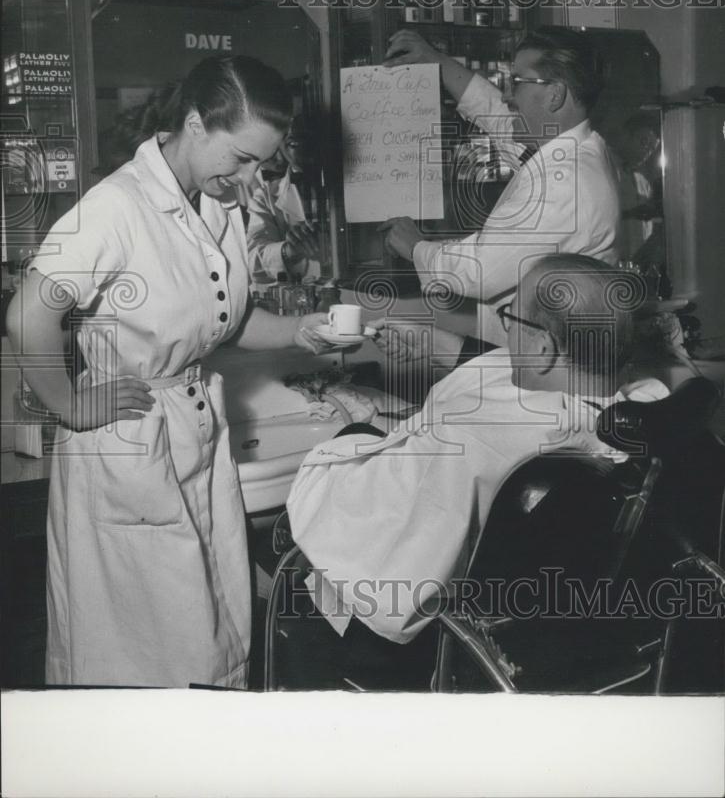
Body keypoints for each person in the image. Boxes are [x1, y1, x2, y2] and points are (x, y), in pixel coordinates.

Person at [6, 54, 337, 688]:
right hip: (129, 443)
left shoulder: (214, 204)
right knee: (143, 656)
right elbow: (28, 315)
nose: (247, 178)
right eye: (239, 158)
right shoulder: (117, 207)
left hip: (194, 436)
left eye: (259, 165)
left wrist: (299, 331)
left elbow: (220, 322)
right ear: (193, 122)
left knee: (209, 640)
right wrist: (71, 404)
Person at [286, 254, 667, 645]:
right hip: (561, 629)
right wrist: (437, 345)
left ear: (541, 345)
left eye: (512, 319)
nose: (507, 333)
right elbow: (507, 372)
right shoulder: (638, 413)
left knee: (300, 564)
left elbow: (365, 514)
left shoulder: (473, 435)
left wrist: (345, 444)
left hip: (436, 640)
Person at [380, 27, 621, 352]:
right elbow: (493, 111)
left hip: (549, 366)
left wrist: (415, 247)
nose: (508, 95)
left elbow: (479, 271)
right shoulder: (571, 147)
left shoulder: (567, 182)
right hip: (535, 354)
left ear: (555, 94)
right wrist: (434, 59)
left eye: (517, 83)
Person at [246, 119, 322, 282]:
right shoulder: (264, 197)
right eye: (285, 128)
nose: (293, 129)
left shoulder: (354, 187)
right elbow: (252, 263)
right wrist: (287, 251)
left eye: (299, 120)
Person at [608, 112, 663, 265]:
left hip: (637, 264)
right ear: (626, 136)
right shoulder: (606, 171)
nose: (647, 151)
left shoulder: (643, 182)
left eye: (652, 148)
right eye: (643, 142)